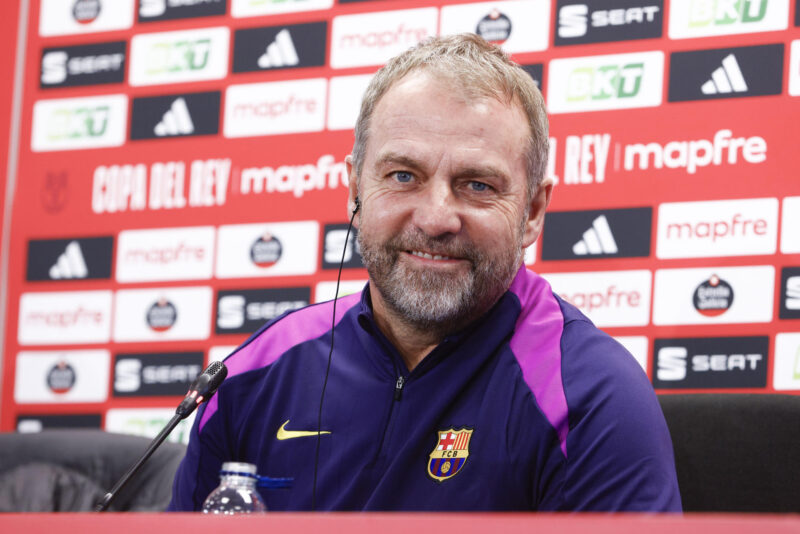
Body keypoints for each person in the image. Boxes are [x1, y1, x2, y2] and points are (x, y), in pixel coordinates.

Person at [169, 34, 681, 512]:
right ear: (355, 190)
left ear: (532, 212)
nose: (436, 219)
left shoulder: (591, 398)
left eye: (478, 185)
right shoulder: (251, 377)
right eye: (403, 176)